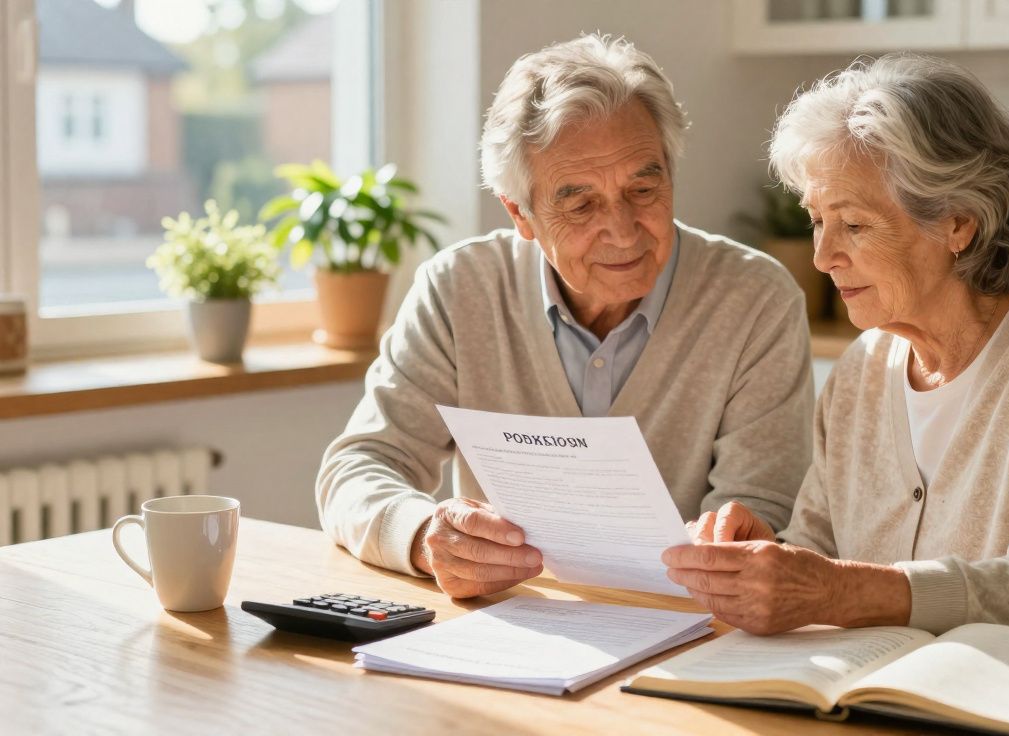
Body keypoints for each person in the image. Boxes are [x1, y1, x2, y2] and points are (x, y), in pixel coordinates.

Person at [664, 53, 1009, 672]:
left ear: (958, 222)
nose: (823, 256)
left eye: (853, 224)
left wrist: (833, 589)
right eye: (817, 220)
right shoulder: (862, 369)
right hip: (935, 699)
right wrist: (762, 560)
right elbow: (819, 551)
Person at [316, 34, 814, 600]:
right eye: (580, 204)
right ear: (520, 214)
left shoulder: (755, 299)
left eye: (644, 188)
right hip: (508, 626)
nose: (624, 231)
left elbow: (766, 508)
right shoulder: (459, 289)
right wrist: (425, 535)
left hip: (685, 629)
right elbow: (359, 467)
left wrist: (742, 537)